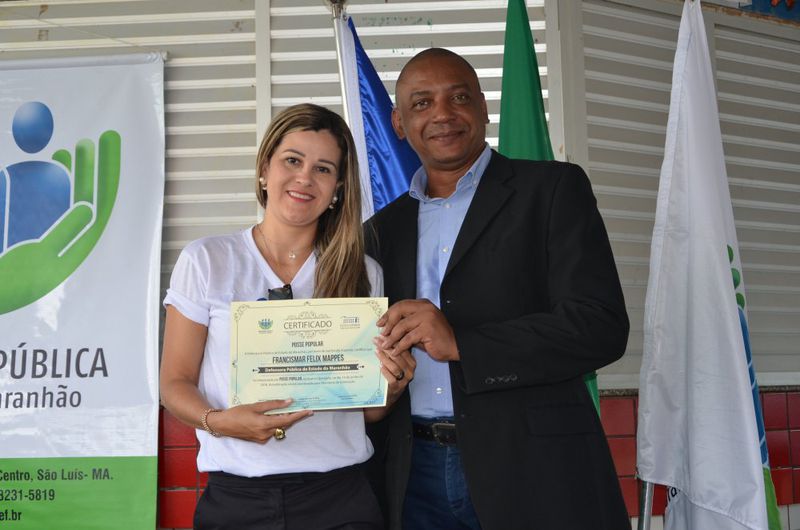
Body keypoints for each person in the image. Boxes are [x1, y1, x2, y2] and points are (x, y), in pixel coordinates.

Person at [365, 48, 631, 530]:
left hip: (533, 470)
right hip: (410, 475)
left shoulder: (552, 191)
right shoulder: (379, 232)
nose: (443, 114)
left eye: (459, 96)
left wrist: (463, 344)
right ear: (399, 123)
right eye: (422, 103)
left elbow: (601, 327)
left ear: (484, 107)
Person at [160, 103, 416, 530]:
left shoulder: (362, 272)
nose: (304, 178)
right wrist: (220, 423)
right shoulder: (207, 259)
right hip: (237, 499)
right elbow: (174, 383)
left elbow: (368, 411)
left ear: (338, 188)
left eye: (323, 169)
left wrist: (391, 388)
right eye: (292, 161)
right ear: (265, 169)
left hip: (341, 500)